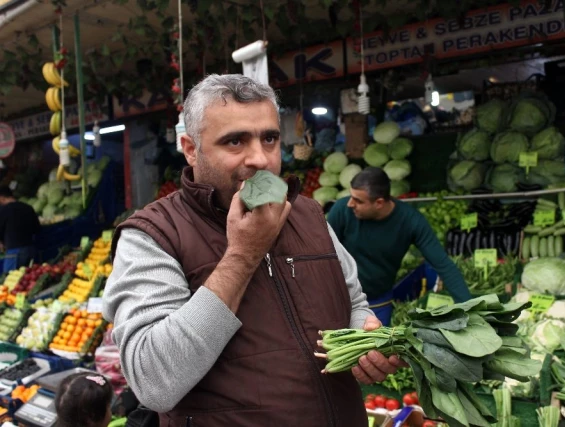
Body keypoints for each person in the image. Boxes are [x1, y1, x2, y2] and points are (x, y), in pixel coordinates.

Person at [103, 74, 401, 426]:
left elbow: (354, 303)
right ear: (190, 148)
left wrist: (364, 338)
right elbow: (153, 383)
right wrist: (243, 255)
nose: (260, 159)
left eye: (270, 138)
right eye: (234, 142)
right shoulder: (154, 235)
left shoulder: (308, 214)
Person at [327, 167, 472, 325]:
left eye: (358, 200)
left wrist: (470, 310)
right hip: (339, 301)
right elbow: (321, 252)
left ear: (379, 203)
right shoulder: (341, 211)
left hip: (378, 302)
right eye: (351, 196)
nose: (350, 204)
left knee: (378, 348)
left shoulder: (410, 221)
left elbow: (443, 265)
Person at [0, 186, 40, 273]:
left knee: (10, 280)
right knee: (31, 277)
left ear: (2, 198)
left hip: (14, 252)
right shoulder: (28, 207)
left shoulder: (3, 210)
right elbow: (37, 229)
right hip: (31, 249)